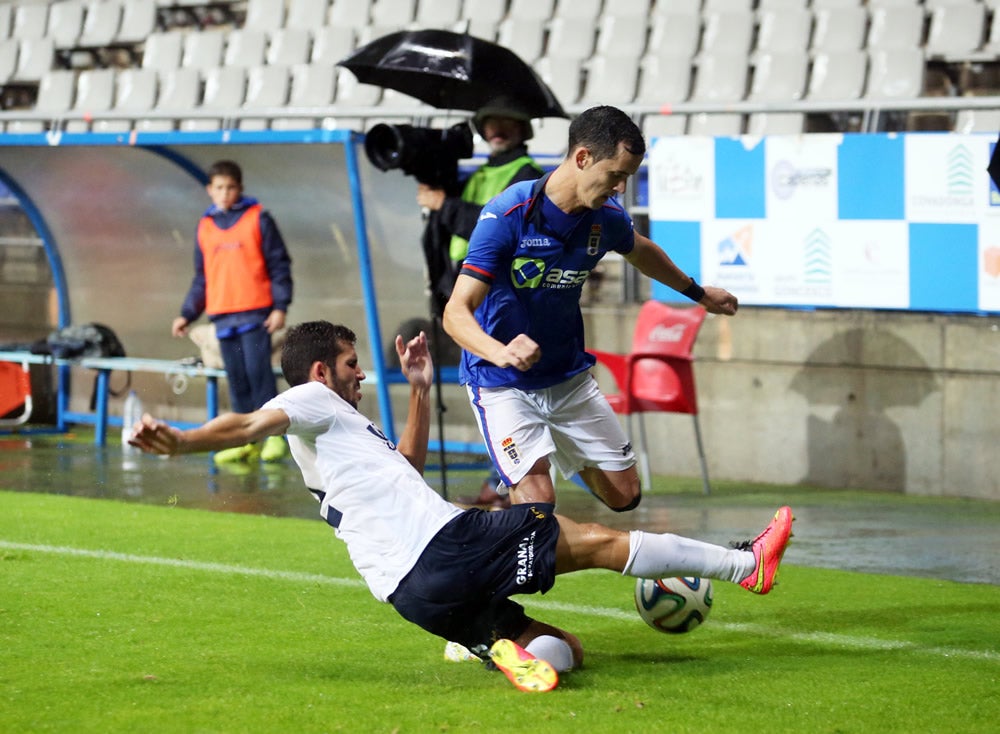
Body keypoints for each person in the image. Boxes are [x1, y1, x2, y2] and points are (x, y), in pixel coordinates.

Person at [129, 319, 794, 693]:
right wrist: (183, 440)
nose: (362, 372)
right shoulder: (311, 403)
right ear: (321, 373)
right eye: (352, 363)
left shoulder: (336, 441)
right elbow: (247, 425)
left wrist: (420, 390)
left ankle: (500, 648)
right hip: (448, 545)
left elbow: (408, 470)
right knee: (595, 540)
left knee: (565, 649)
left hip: (412, 596)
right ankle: (746, 566)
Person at [442, 105, 739, 512]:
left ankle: (561, 453)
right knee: (537, 507)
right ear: (582, 158)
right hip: (501, 380)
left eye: (626, 178)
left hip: (567, 377)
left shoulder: (606, 219)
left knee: (625, 496)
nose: (619, 188)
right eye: (615, 175)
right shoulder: (507, 216)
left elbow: (641, 252)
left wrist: (698, 293)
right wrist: (500, 351)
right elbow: (456, 311)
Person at [416, 99, 545, 508]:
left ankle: (507, 482)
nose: (497, 128)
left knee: (506, 383)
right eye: (489, 120)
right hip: (466, 290)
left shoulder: (528, 176)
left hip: (501, 295)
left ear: (525, 129)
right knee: (486, 384)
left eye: (508, 119)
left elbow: (501, 224)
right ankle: (502, 480)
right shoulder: (476, 175)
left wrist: (445, 206)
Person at [171, 159, 293, 466]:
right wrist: (187, 313)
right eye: (219, 187)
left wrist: (280, 306)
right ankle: (246, 442)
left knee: (259, 377)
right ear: (210, 190)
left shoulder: (259, 218)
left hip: (255, 315)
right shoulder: (205, 226)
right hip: (223, 317)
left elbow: (279, 265)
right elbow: (202, 276)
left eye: (230, 187)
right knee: (237, 381)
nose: (224, 193)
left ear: (239, 188)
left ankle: (274, 438)